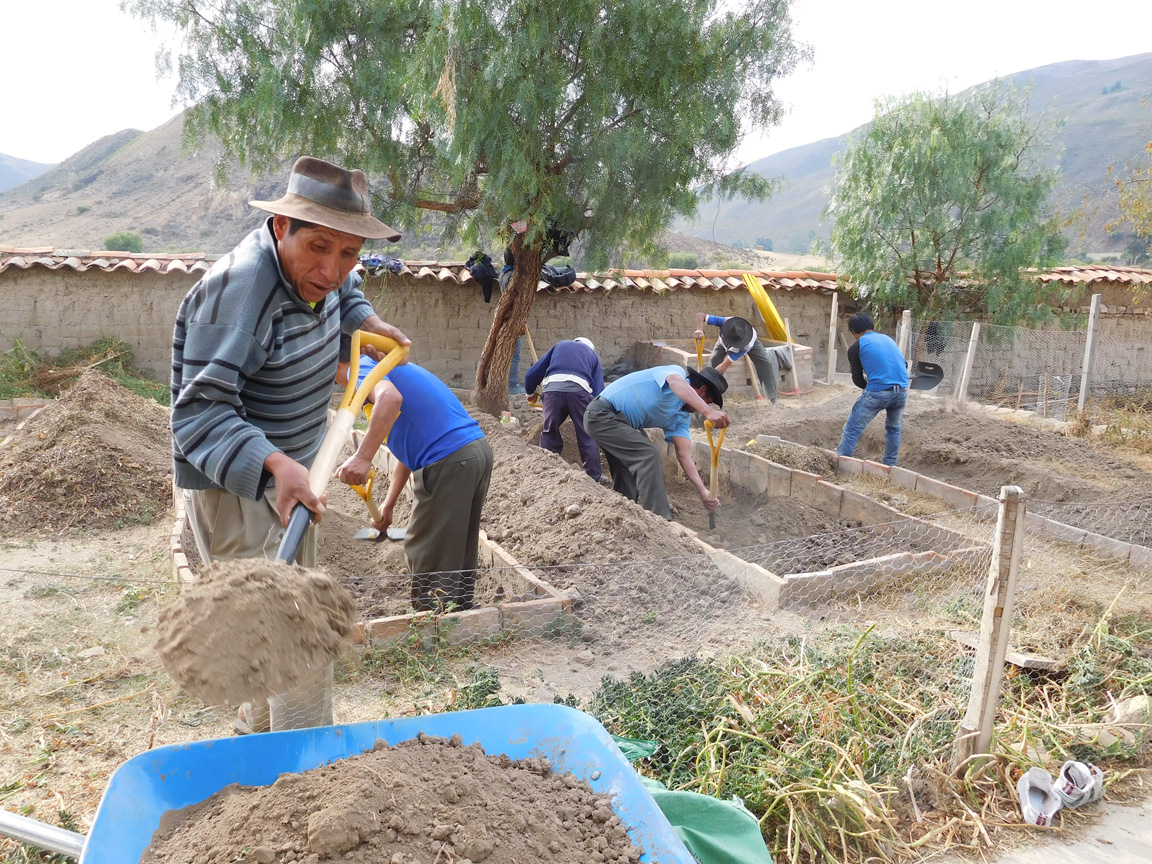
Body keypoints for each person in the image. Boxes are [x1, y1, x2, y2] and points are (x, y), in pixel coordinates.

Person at [171, 156, 410, 733]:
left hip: (292, 477)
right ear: (282, 228)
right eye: (319, 248)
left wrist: (367, 320)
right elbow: (198, 416)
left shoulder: (324, 273)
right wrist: (277, 466)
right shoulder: (240, 291)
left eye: (349, 252)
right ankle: (300, 775)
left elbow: (344, 292)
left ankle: (266, 754)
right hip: (241, 490)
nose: (332, 270)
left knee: (278, 629)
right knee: (294, 637)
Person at [335, 344, 493, 613]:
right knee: (456, 548)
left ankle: (432, 630)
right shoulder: (383, 368)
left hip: (450, 458)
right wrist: (388, 504)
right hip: (474, 453)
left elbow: (390, 400)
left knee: (424, 549)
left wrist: (362, 457)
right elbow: (408, 449)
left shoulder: (359, 369)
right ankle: (460, 619)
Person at [584, 365, 730, 520]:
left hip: (621, 424)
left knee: (628, 465)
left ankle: (622, 514)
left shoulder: (681, 418)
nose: (706, 406)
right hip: (602, 414)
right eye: (708, 401)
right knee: (648, 455)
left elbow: (683, 454)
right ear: (701, 390)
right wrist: (708, 412)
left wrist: (703, 491)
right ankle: (660, 520)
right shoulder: (675, 374)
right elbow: (675, 383)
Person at [523, 337, 605, 481]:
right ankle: (593, 477)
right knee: (587, 435)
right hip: (579, 394)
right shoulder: (592, 355)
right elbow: (598, 392)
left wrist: (530, 394)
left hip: (552, 393)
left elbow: (531, 374)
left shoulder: (559, 346)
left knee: (549, 432)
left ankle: (546, 472)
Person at [836, 312, 910, 467]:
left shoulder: (856, 346)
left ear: (854, 332)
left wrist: (871, 387)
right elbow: (904, 366)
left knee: (852, 430)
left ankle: (842, 464)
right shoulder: (888, 339)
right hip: (902, 391)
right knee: (893, 429)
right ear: (872, 326)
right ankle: (890, 465)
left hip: (878, 392)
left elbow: (857, 379)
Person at [693, 313, 792, 403]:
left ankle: (773, 398)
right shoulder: (723, 321)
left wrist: (719, 370)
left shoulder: (746, 344)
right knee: (713, 360)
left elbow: (723, 366)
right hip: (722, 343)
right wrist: (699, 329)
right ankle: (708, 394)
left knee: (765, 363)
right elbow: (700, 316)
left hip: (749, 345)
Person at [498, 247, 526, 395]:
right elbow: (517, 300)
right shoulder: (513, 276)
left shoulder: (503, 273)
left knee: (507, 353)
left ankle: (508, 383)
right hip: (513, 319)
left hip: (505, 319)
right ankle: (512, 385)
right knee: (515, 355)